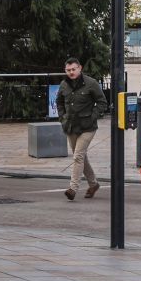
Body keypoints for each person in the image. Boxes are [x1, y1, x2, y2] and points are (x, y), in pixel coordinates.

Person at [56, 57, 109, 201]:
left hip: (87, 127)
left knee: (78, 156)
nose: (71, 72)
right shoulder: (64, 85)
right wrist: (62, 117)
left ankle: (73, 188)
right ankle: (93, 184)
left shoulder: (91, 83)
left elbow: (102, 102)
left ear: (80, 68)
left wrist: (93, 116)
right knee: (81, 157)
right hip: (71, 126)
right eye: (68, 70)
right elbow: (59, 102)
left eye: (73, 69)